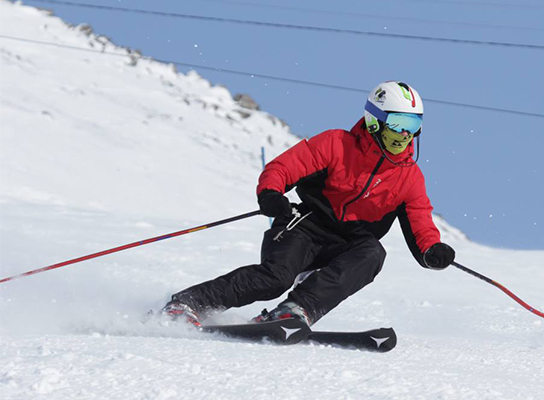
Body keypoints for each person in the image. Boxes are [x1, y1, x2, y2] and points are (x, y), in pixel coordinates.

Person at [162, 81, 456, 327]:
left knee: (373, 253)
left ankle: (295, 310)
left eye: (413, 125)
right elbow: (283, 168)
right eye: (398, 123)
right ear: (374, 121)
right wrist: (271, 193)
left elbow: (420, 220)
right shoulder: (336, 144)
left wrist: (432, 249)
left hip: (349, 244)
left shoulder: (409, 177)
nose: (406, 134)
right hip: (305, 226)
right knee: (275, 279)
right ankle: (187, 304)